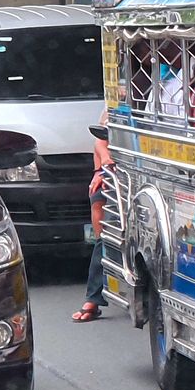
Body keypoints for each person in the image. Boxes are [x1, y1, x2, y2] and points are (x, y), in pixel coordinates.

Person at [72, 109, 111, 323]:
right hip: (110, 175)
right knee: (102, 234)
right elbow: (100, 141)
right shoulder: (113, 103)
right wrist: (104, 168)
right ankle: (93, 298)